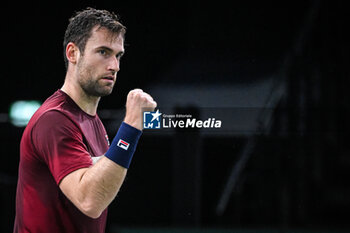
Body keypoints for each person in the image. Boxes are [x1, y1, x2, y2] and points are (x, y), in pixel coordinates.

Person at [13, 8, 156, 233]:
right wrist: (131, 126)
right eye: (103, 52)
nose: (114, 66)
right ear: (73, 53)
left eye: (118, 55)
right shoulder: (54, 120)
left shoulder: (92, 121)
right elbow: (90, 200)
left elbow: (101, 180)